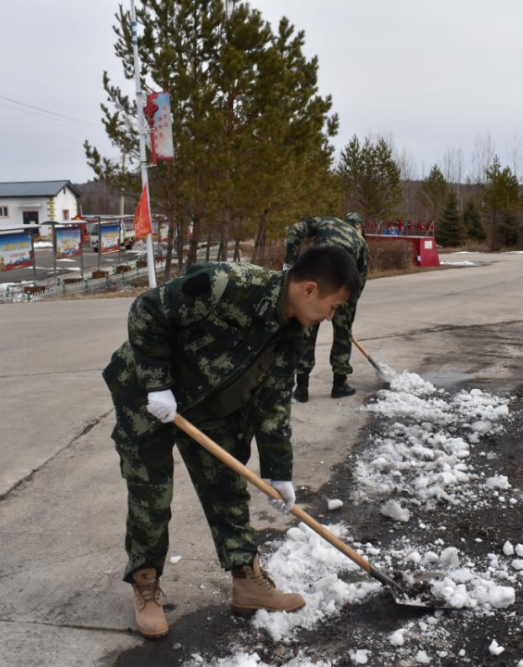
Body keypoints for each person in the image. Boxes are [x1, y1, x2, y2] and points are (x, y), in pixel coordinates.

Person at [103, 246, 361, 639]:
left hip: (209, 406)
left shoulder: (294, 332)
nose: (332, 316)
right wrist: (157, 385)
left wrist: (279, 473)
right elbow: (146, 310)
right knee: (151, 494)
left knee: (227, 488)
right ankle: (146, 585)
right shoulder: (229, 284)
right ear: (310, 289)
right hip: (145, 395)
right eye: (333, 305)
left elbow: (274, 404)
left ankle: (247, 583)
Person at [283, 213, 369, 402]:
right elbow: (360, 278)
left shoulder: (325, 221)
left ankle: (301, 388)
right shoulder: (360, 241)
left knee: (307, 332)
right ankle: (339, 385)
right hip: (342, 291)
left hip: (316, 283)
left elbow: (295, 230)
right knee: (342, 337)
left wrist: (289, 266)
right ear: (358, 226)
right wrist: (349, 305)